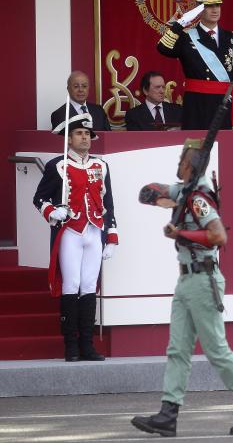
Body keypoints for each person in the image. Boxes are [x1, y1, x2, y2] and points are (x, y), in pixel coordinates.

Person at [131, 139, 233, 437]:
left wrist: (179, 232)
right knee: (177, 349)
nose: (178, 163)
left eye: (182, 159)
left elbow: (218, 236)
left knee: (216, 348)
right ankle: (168, 414)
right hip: (186, 280)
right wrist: (156, 193)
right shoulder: (186, 191)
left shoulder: (199, 198)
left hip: (202, 279)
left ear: (189, 164)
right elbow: (157, 192)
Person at [33, 114, 117, 362]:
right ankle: (71, 346)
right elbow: (39, 198)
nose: (85, 138)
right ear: (69, 139)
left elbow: (108, 203)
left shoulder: (101, 166)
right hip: (70, 231)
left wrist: (111, 236)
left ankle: (87, 345)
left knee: (90, 286)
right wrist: (52, 211)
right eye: (79, 133)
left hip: (94, 231)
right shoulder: (57, 166)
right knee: (71, 285)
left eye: (88, 134)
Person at [156, 0, 233, 130]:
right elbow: (163, 47)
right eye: (209, 6)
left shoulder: (231, 37)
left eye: (217, 5)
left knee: (225, 147)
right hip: (197, 103)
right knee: (196, 146)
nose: (215, 10)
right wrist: (182, 22)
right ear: (199, 10)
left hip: (224, 104)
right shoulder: (187, 37)